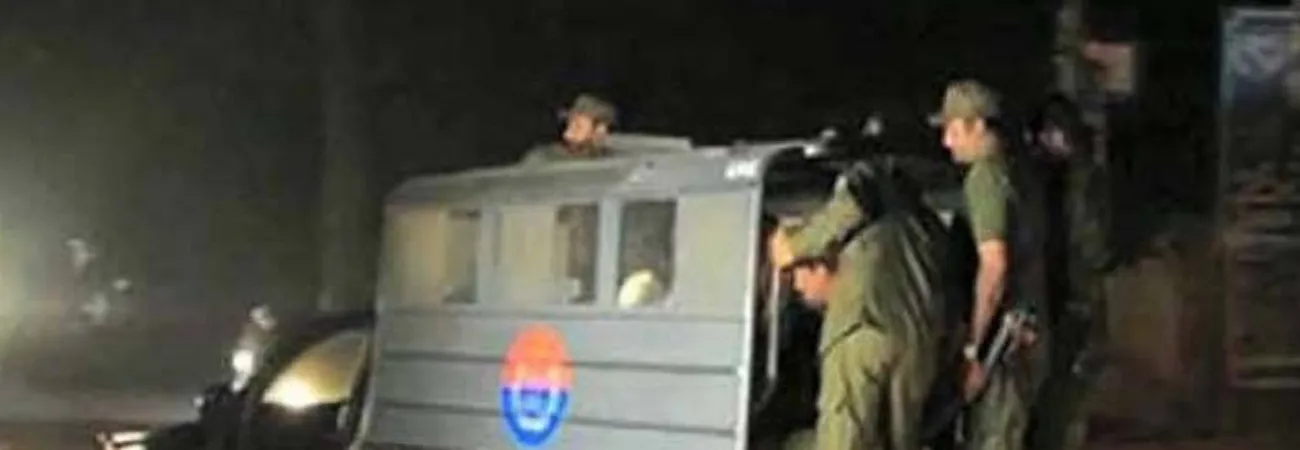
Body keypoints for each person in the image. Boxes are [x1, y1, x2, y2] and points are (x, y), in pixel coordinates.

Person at [768, 162, 949, 450]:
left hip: (862, 327)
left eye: (797, 280)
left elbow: (858, 194)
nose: (799, 293)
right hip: (918, 342)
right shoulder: (922, 225)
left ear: (820, 264)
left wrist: (794, 248)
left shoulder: (868, 187)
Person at [929, 79, 1048, 450]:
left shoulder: (985, 178)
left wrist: (974, 349)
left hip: (1005, 338)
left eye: (953, 130)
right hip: (1031, 330)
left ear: (977, 126)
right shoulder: (1019, 172)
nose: (946, 142)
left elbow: (994, 266)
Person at [1025, 94, 1115, 450]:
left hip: (1069, 299)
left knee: (1060, 399)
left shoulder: (1072, 179)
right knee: (1063, 398)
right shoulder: (1077, 176)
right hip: (1071, 298)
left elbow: (1090, 245)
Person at [520, 93, 618, 164]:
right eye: (568, 124)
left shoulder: (613, 159)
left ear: (599, 130)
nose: (567, 134)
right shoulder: (544, 156)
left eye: (578, 127)